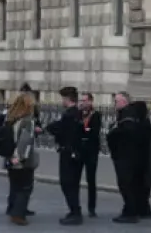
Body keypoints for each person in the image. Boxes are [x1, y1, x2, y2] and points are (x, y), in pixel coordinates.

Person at [107, 93, 151, 223]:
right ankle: (132, 209)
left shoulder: (128, 116)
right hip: (133, 156)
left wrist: (112, 134)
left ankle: (130, 212)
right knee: (132, 184)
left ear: (124, 102)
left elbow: (126, 134)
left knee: (126, 185)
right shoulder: (133, 115)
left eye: (116, 101)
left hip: (126, 156)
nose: (115, 104)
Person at [48, 87, 86, 225]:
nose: (62, 101)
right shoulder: (78, 113)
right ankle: (74, 210)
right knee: (72, 183)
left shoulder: (70, 115)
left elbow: (60, 129)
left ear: (67, 99)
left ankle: (75, 212)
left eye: (63, 98)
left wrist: (51, 128)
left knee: (67, 183)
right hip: (76, 153)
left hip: (68, 153)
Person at [4, 92, 39, 225]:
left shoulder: (11, 118)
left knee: (14, 186)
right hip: (21, 160)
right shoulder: (27, 120)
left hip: (9, 157)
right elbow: (25, 141)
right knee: (25, 188)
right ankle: (18, 214)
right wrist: (20, 158)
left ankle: (12, 208)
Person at [79, 94, 104, 218]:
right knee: (75, 179)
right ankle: (75, 207)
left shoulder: (96, 115)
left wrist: (84, 131)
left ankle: (91, 207)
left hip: (91, 151)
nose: (82, 103)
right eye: (81, 100)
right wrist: (85, 131)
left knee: (91, 180)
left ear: (91, 101)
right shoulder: (78, 114)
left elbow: (94, 131)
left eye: (85, 100)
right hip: (79, 151)